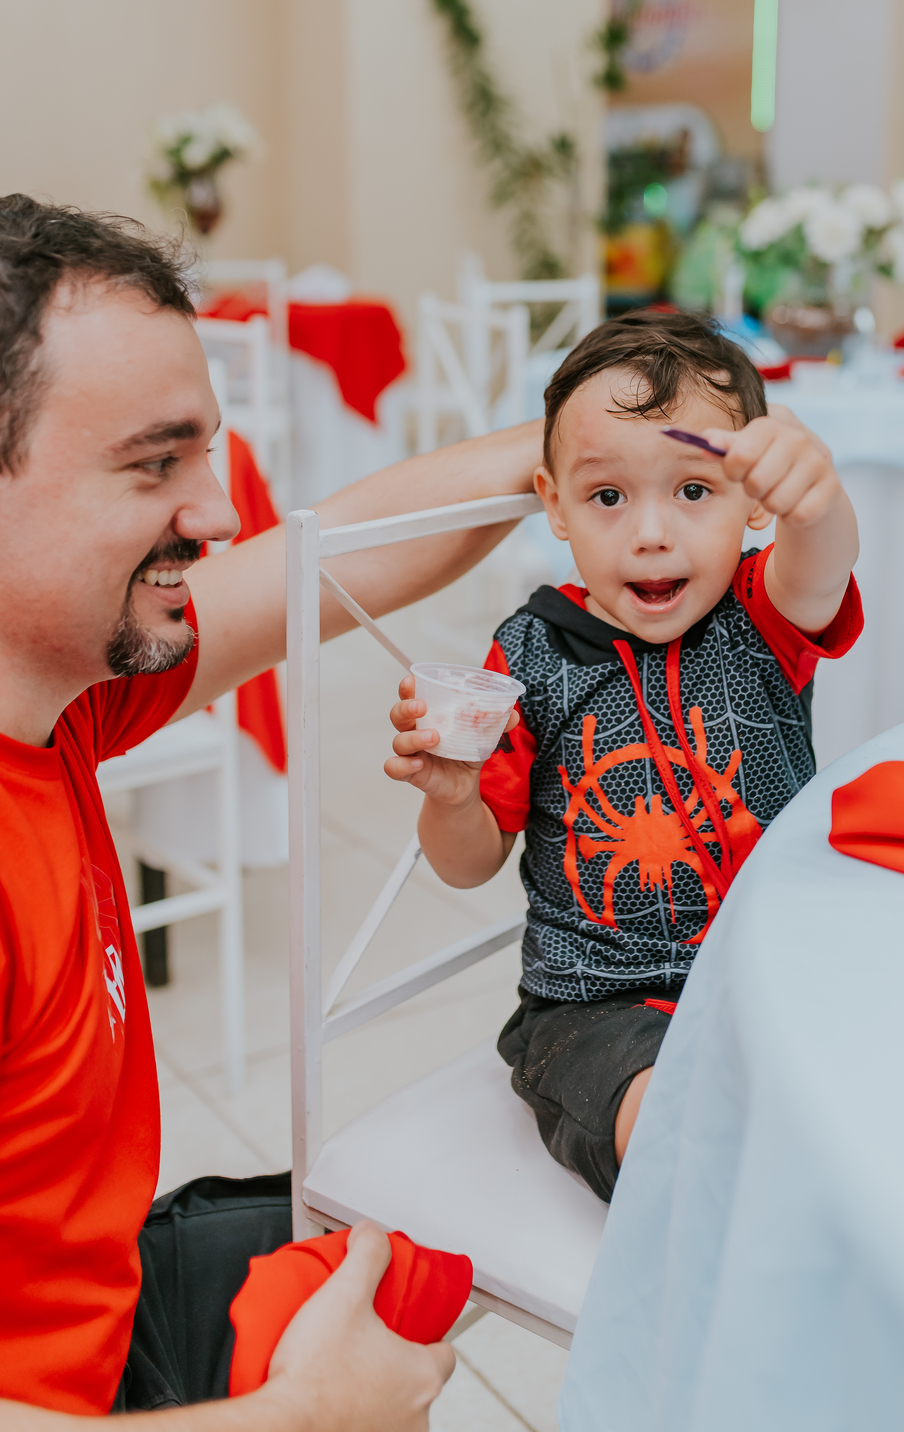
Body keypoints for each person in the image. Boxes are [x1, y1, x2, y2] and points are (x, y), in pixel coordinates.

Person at [0, 194, 543, 1423]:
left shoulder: (63, 699)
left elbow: (329, 555)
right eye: (156, 462)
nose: (220, 509)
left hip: (96, 1303)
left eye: (206, 452)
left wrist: (571, 441)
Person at [385, 310, 862, 1202]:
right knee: (669, 1120)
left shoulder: (765, 613)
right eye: (609, 497)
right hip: (596, 1009)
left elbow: (823, 562)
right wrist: (451, 799)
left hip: (773, 967)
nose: (651, 534)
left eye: (694, 491)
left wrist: (819, 499)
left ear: (753, 503)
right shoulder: (531, 655)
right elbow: (468, 862)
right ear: (555, 503)